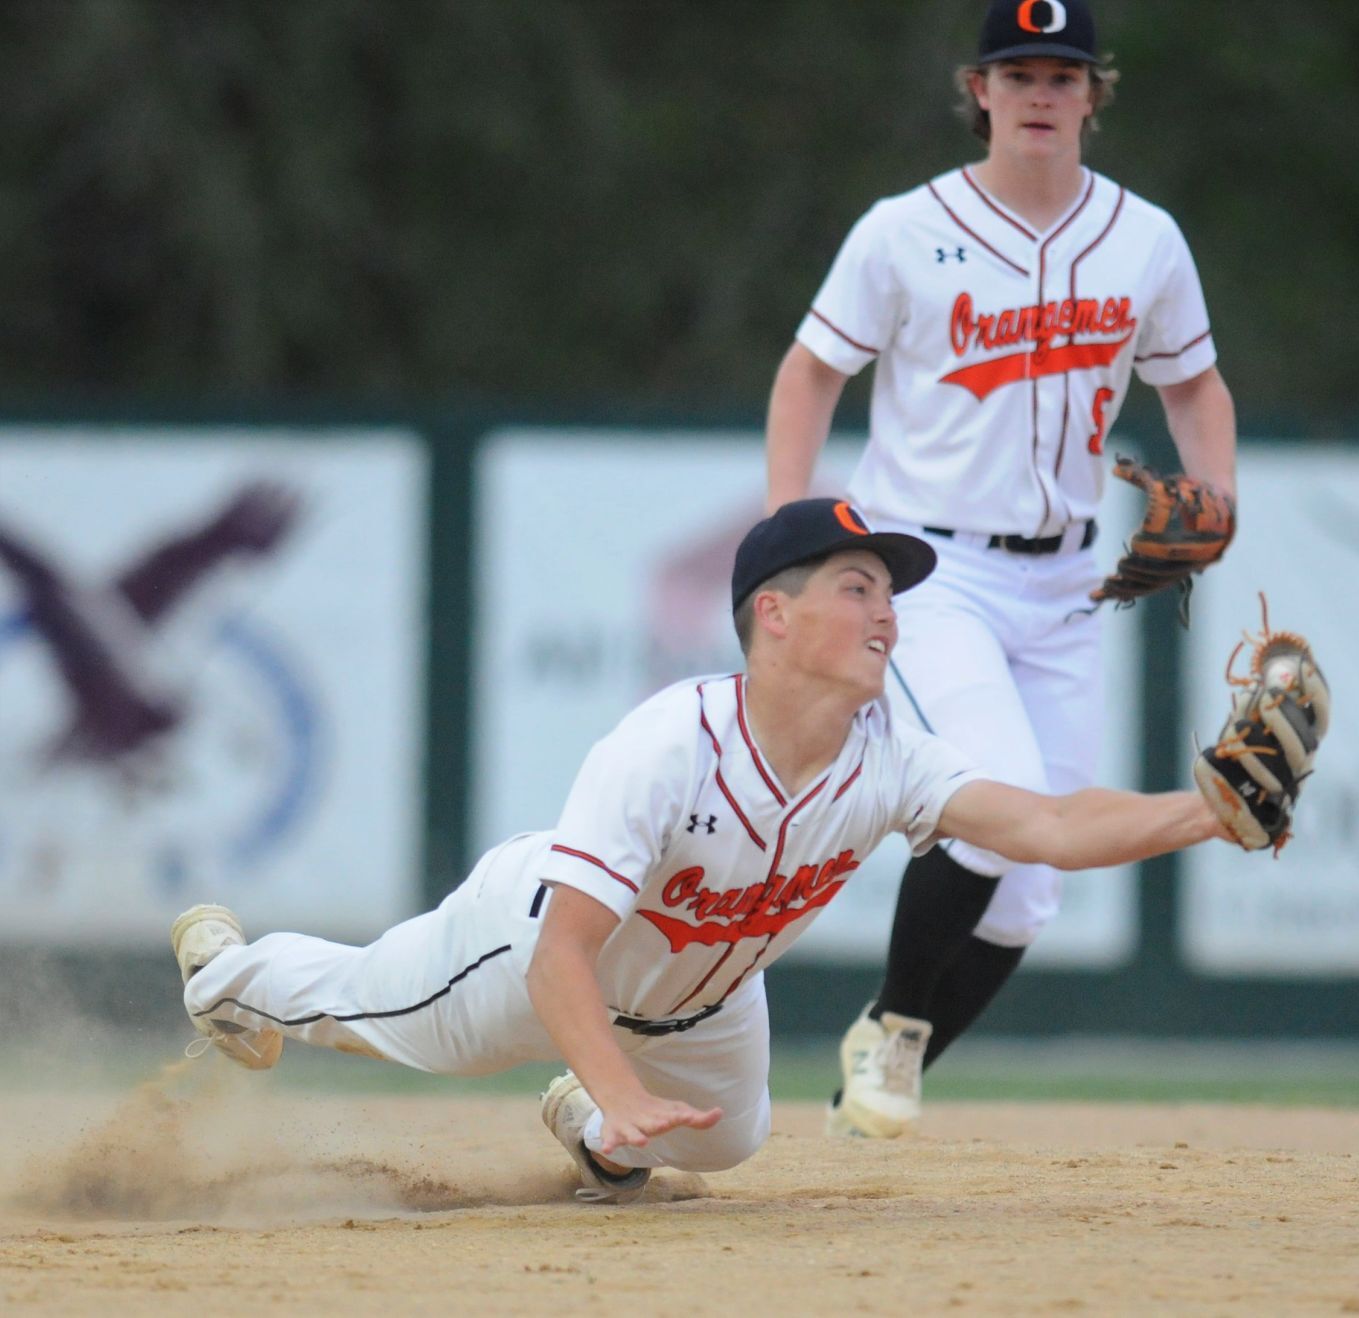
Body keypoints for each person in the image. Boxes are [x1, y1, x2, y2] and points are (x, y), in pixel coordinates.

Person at [173, 498, 1229, 1204]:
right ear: (773, 614)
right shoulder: (670, 742)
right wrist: (619, 1083)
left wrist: (1205, 811)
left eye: (890, 594)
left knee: (729, 1140)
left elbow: (1044, 826)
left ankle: (586, 1124)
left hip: (698, 1001)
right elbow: (560, 957)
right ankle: (230, 972)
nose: (888, 616)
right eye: (857, 586)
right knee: (367, 1011)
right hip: (528, 948)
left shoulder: (889, 756)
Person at [763, 0, 1238, 1137]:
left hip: (1066, 583)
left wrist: (1211, 512)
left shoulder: (1142, 238)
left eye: (1062, 75)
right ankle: (894, 1040)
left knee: (1028, 895)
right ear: (978, 89)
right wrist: (791, 521)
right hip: (933, 573)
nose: (1039, 93)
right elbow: (809, 370)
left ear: (1092, 95)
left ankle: (867, 1076)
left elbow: (1194, 387)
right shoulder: (901, 230)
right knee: (997, 808)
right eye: (1017, 72)